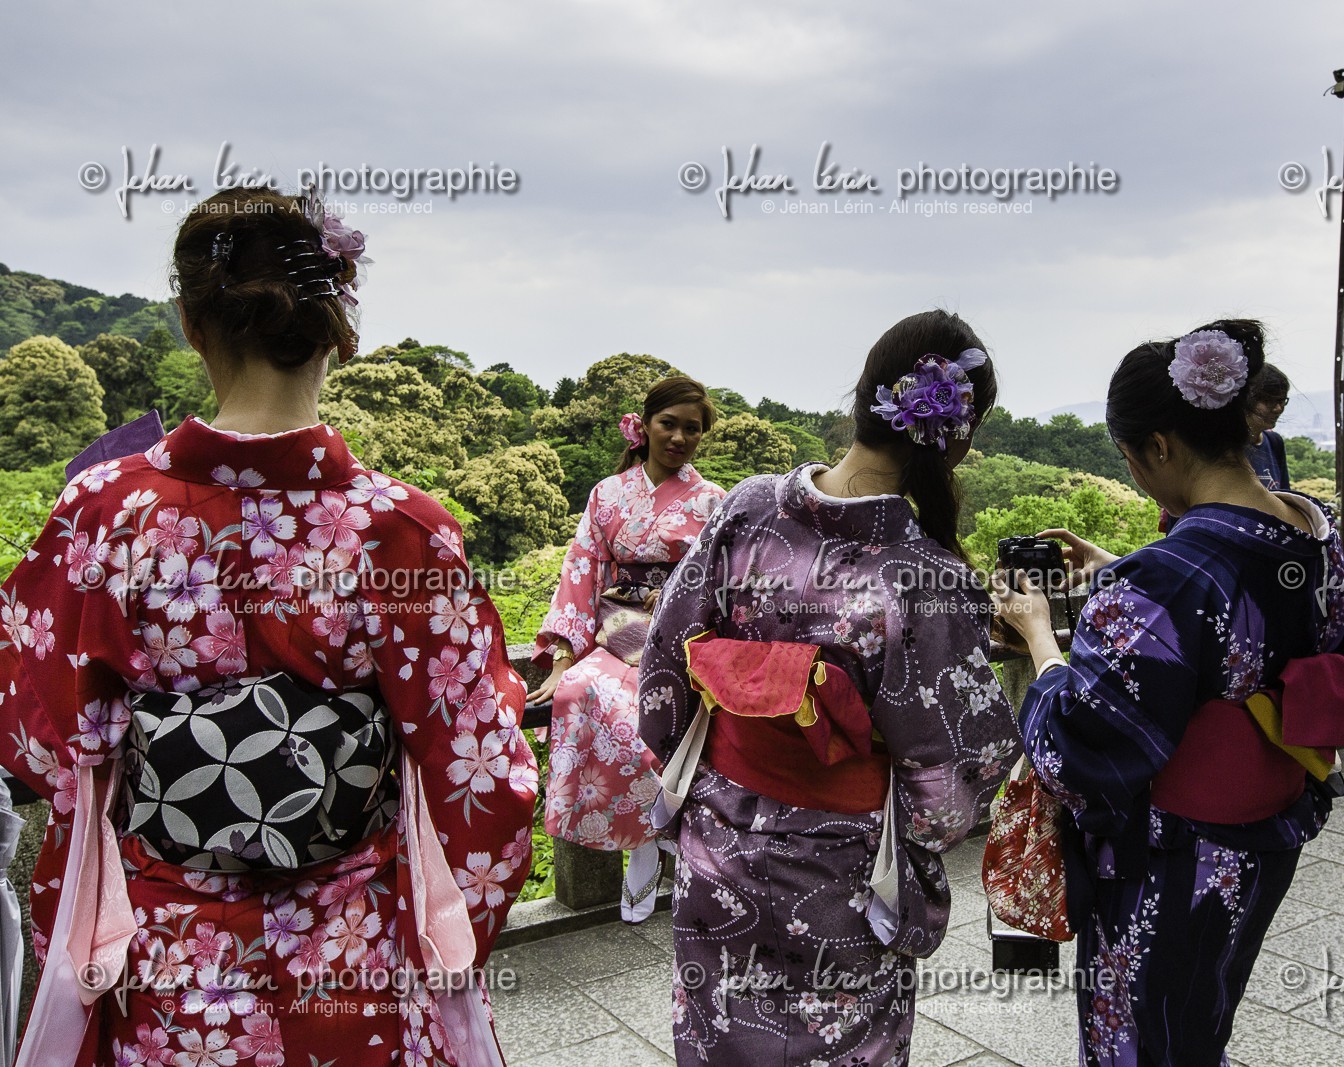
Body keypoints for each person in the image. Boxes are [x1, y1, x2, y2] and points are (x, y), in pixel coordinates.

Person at [0, 187, 539, 1065]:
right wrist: (434, 918)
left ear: (188, 321)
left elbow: (39, 733)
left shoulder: (101, 513)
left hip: (169, 965)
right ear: (338, 325)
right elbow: (488, 780)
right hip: (355, 962)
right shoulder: (401, 527)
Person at [638, 309, 1022, 1066]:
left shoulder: (747, 507)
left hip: (719, 845)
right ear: (959, 437)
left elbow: (662, 671)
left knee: (719, 1039)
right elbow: (950, 794)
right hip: (837, 879)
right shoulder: (927, 576)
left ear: (864, 400)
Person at [995, 320, 1344, 1066]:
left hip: (1178, 854)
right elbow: (1241, 616)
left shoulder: (1164, 577)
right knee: (1201, 1017)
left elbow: (1082, 748)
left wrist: (1039, 638)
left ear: (1160, 446)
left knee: (1140, 1035)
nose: (1135, 472)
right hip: (1269, 829)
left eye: (1131, 458)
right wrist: (1125, 569)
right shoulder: (1312, 530)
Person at [529, 378, 725, 921]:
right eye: (670, 424)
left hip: (683, 624)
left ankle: (653, 837)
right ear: (644, 426)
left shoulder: (713, 501)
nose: (680, 437)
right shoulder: (607, 494)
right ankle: (646, 835)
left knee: (668, 712)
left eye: (692, 428)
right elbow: (581, 570)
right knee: (582, 693)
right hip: (618, 624)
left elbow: (721, 583)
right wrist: (563, 654)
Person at [1245, 362, 1290, 490]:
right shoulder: (1227, 448)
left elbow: (1286, 495)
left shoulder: (1274, 442)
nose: (1278, 408)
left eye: (1281, 401)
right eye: (1269, 401)